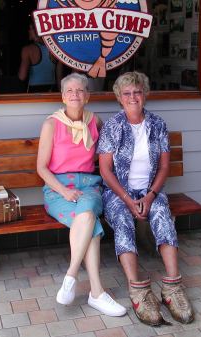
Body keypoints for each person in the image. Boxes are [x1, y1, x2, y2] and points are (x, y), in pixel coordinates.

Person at [97, 71, 194, 326]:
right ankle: (137, 288)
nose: (133, 97)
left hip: (149, 192)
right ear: (119, 97)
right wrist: (128, 200)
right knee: (122, 220)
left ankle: (172, 286)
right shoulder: (112, 126)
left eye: (137, 92)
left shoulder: (158, 125)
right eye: (127, 93)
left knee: (163, 216)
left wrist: (150, 196)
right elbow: (105, 170)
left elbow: (164, 168)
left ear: (145, 94)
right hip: (118, 193)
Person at [36, 73, 126, 317]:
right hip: (58, 189)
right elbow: (41, 167)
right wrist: (64, 190)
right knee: (90, 221)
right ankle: (96, 293)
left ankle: (71, 276)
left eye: (80, 90)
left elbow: (112, 151)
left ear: (87, 96)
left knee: (86, 213)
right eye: (70, 91)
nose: (75, 94)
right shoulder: (51, 125)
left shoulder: (95, 122)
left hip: (89, 186)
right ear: (63, 96)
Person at [18, 23, 56, 93]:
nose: (28, 31)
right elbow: (59, 78)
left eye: (30, 29)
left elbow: (22, 76)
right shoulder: (55, 49)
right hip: (52, 89)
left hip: (34, 90)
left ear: (37, 31)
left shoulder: (27, 50)